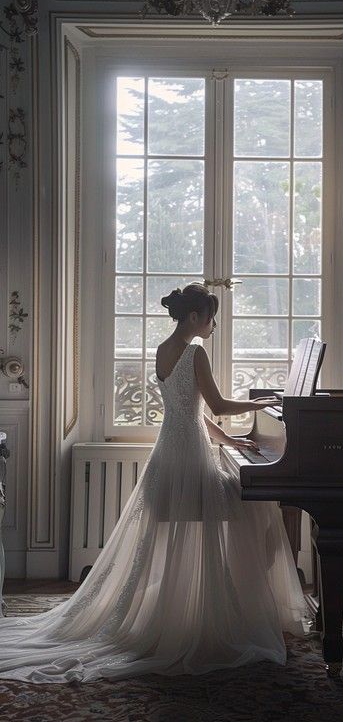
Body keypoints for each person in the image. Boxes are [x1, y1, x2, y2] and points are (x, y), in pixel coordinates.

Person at [0, 283, 307, 684]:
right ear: (195, 317)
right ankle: (232, 611)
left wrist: (229, 440)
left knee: (248, 506)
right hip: (189, 459)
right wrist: (264, 402)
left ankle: (213, 607)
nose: (214, 325)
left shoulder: (163, 349)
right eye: (211, 317)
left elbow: (191, 412)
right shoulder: (196, 352)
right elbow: (216, 406)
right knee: (258, 506)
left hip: (171, 454)